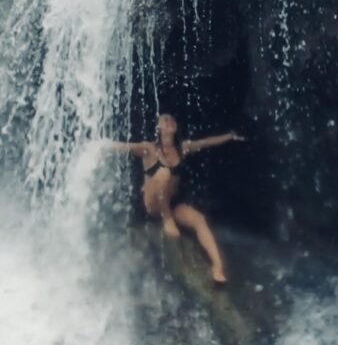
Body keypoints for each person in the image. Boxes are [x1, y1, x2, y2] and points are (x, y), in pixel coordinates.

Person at [104, 115, 243, 284]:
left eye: (172, 120)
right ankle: (167, 218)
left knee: (198, 219)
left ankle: (217, 268)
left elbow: (207, 142)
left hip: (172, 202)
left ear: (176, 127)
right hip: (153, 203)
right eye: (165, 120)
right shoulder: (148, 148)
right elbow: (124, 147)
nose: (169, 122)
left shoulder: (183, 148)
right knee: (164, 173)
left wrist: (230, 136)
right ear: (158, 128)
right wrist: (100, 146)